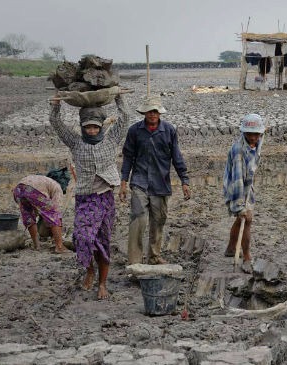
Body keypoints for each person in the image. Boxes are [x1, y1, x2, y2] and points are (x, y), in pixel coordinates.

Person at [50, 94, 129, 300]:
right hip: (85, 198)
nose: (92, 130)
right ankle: (90, 269)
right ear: (82, 127)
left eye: (95, 127)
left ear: (102, 126)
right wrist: (56, 105)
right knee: (82, 237)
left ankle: (102, 283)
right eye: (88, 127)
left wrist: (119, 99)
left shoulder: (111, 139)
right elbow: (57, 125)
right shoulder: (76, 143)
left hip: (105, 198)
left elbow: (125, 118)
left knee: (103, 239)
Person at [120, 95, 191, 265]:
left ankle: (154, 255)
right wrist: (123, 182)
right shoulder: (135, 131)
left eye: (155, 111)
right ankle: (134, 261)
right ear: (144, 113)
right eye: (149, 111)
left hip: (161, 183)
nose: (152, 114)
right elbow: (128, 157)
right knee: (138, 220)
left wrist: (185, 181)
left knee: (158, 221)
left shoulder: (168, 131)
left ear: (160, 113)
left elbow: (177, 157)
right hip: (139, 181)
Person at [222, 114, 265, 274]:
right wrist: (241, 207)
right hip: (236, 187)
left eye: (257, 134)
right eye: (250, 134)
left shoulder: (257, 140)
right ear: (244, 133)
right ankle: (247, 257)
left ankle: (231, 248)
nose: (254, 137)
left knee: (241, 220)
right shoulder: (238, 151)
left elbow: (259, 141)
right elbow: (238, 180)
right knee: (246, 219)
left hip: (248, 185)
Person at [13, 171, 70, 253]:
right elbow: (56, 211)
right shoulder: (57, 187)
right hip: (32, 189)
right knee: (53, 214)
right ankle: (60, 247)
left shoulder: (45, 181)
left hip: (18, 190)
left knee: (29, 217)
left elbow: (35, 210)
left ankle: (37, 246)